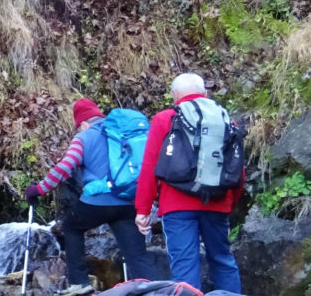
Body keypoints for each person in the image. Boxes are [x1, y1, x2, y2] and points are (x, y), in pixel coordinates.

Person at [24, 98, 156, 296]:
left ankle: (80, 283)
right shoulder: (121, 134)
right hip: (129, 201)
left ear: (83, 123)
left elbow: (66, 166)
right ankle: (153, 289)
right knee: (137, 254)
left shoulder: (84, 137)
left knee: (71, 226)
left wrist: (39, 189)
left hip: (98, 202)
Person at [134, 73, 243, 293]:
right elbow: (237, 169)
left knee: (185, 268)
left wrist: (142, 209)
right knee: (222, 261)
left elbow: (150, 167)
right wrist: (228, 202)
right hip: (216, 202)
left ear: (175, 95)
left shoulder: (165, 119)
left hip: (177, 205)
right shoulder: (225, 120)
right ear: (204, 93)